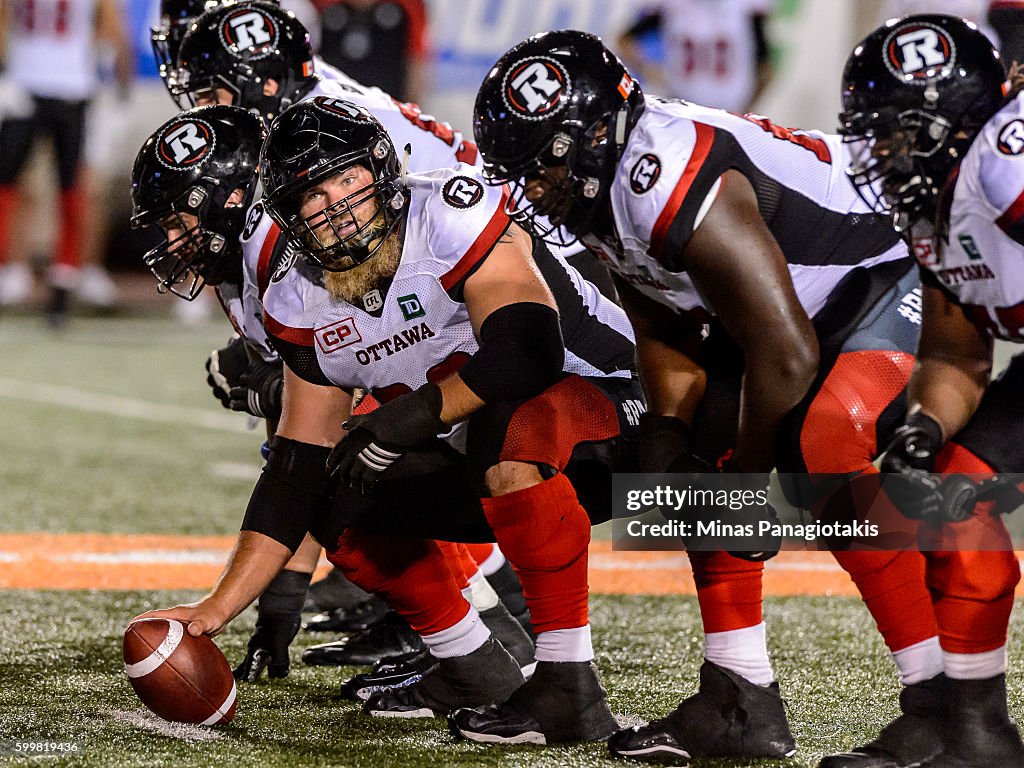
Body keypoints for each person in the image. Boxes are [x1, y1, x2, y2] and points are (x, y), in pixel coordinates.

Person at [472, 30, 938, 764]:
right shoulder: (604, 187)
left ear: (599, 134)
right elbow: (662, 316)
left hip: (880, 272)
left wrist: (750, 486)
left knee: (820, 446)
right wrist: (666, 428)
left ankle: (943, 706)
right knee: (696, 464)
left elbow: (785, 352)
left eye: (544, 166)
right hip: (785, 312)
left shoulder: (666, 177)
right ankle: (740, 698)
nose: (533, 188)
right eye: (521, 171)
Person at [135, 96, 641, 743]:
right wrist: (221, 606)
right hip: (491, 460)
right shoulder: (297, 294)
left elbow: (527, 351)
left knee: (507, 422)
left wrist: (406, 417)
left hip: (619, 423)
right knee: (335, 488)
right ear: (287, 218)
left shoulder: (449, 213)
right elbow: (294, 469)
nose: (334, 206)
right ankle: (471, 664)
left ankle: (568, 683)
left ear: (380, 169)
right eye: (309, 197)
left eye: (344, 179)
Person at [833, 14, 1024, 767]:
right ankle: (976, 736)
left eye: (894, 130)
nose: (878, 150)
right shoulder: (933, 199)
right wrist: (925, 427)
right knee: (957, 501)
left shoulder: (1004, 160)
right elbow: (956, 353)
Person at [0, 0, 130, 323]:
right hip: (27, 82)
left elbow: (110, 28)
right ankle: (10, 268)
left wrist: (114, 86)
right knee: (7, 183)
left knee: (70, 187)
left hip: (73, 87)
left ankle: (65, 274)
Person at [616, 0, 775, 113]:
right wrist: (650, 72)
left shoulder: (745, 7)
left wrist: (749, 107)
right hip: (683, 107)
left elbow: (765, 66)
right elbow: (625, 40)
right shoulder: (672, 6)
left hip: (730, 108)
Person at [313, 0, 429, 104]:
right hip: (333, 104)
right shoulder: (321, 5)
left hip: (387, 104)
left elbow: (415, 58)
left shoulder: (407, 6)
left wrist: (410, 107)